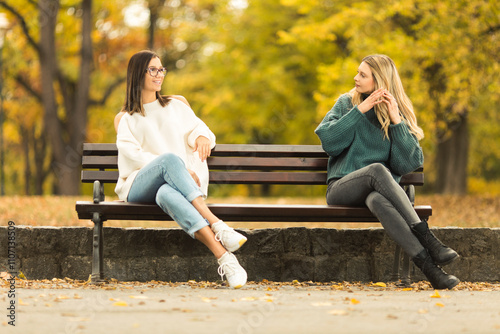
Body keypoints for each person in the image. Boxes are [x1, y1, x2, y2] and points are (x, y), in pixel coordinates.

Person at [315, 54, 460, 289]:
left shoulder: (398, 112)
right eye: (358, 72)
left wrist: (396, 122)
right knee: (376, 170)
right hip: (342, 188)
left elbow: (406, 164)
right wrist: (359, 110)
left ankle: (432, 271)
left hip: (379, 193)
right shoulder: (346, 103)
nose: (356, 78)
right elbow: (329, 143)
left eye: (363, 75)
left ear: (380, 81)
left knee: (378, 199)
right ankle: (429, 239)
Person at [114, 50, 247, 288]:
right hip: (137, 186)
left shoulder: (176, 105)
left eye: (161, 69)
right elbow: (133, 157)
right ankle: (218, 224)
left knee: (166, 193)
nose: (159, 74)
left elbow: (199, 128)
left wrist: (202, 136)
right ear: (137, 74)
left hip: (173, 188)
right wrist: (182, 168)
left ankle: (226, 260)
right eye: (152, 69)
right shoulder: (126, 118)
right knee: (169, 160)